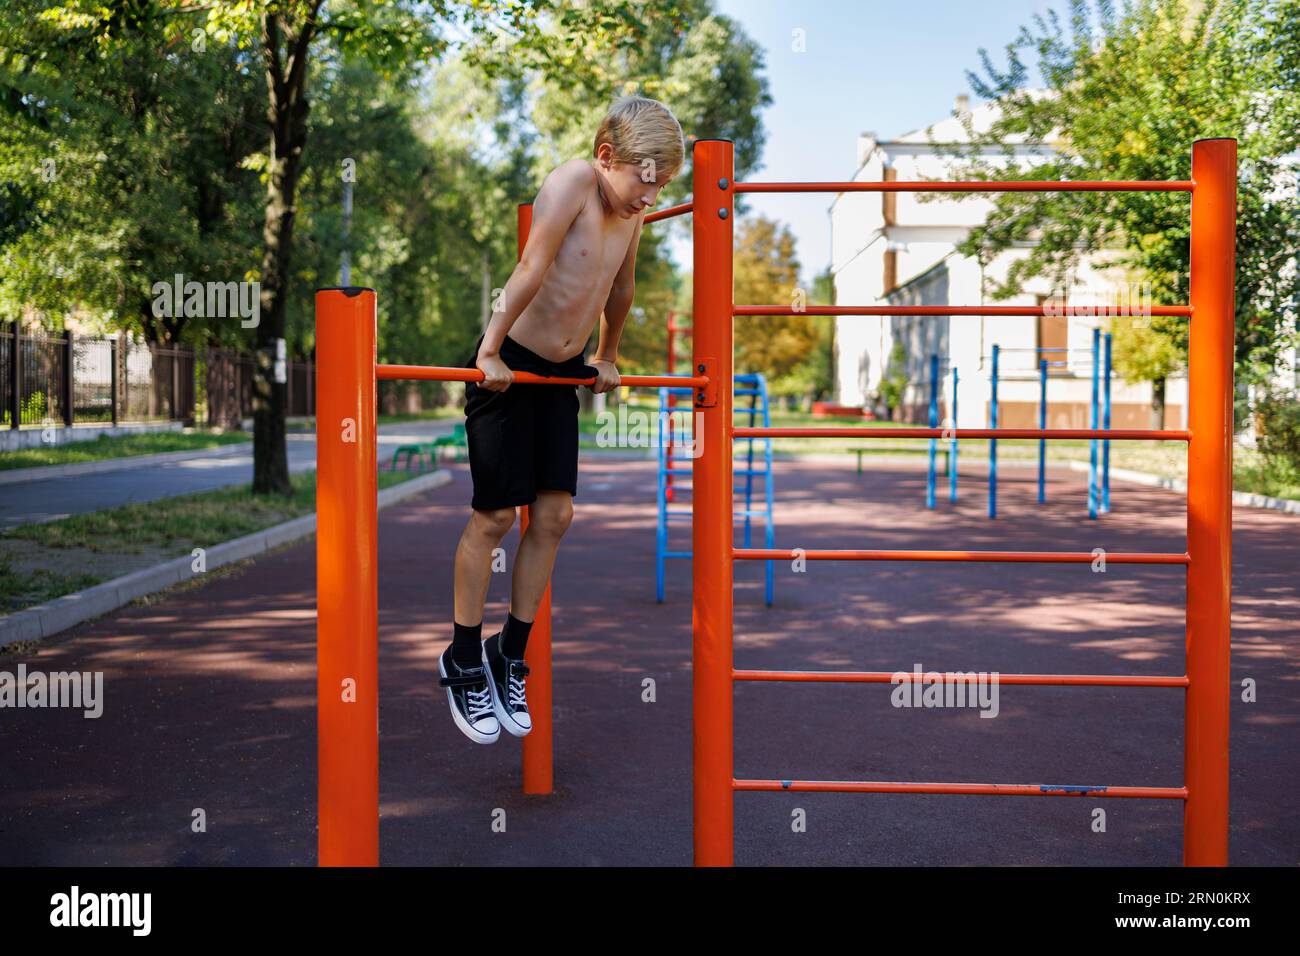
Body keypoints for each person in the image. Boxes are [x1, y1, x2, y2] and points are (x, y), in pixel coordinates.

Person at [440, 95, 685, 744]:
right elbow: (532, 265)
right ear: (608, 158)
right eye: (645, 180)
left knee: (555, 515)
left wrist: (607, 354)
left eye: (661, 185)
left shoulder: (634, 212)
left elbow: (620, 287)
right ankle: (463, 656)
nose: (650, 196)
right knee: (494, 516)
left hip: (559, 376)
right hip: (511, 365)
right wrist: (490, 348)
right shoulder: (575, 181)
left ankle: (507, 655)